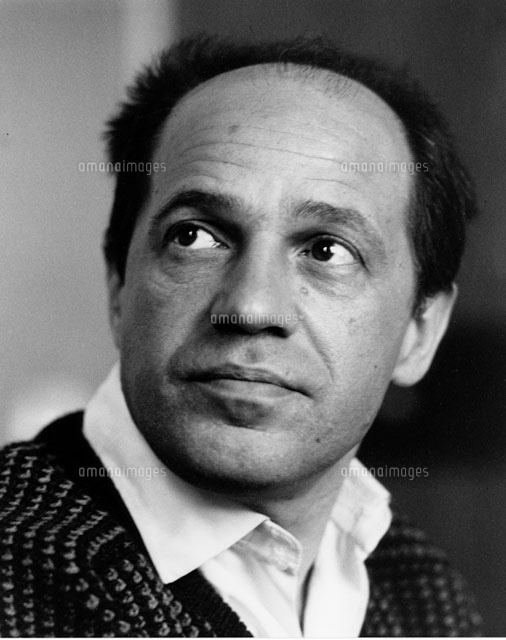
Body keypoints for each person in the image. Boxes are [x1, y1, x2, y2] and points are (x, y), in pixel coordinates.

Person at [0, 34, 482, 637]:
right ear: (119, 285)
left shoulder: (422, 588)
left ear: (420, 331)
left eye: (327, 250)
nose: (250, 308)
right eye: (194, 236)